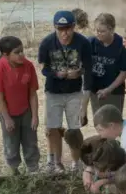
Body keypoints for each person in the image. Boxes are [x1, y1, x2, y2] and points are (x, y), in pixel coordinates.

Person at [38, 10, 92, 173]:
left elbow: (88, 70)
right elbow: (43, 68)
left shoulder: (83, 43)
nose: (65, 33)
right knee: (53, 127)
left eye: (68, 28)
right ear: (55, 28)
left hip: (74, 92)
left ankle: (76, 162)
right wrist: (56, 74)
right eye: (60, 29)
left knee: (74, 129)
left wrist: (79, 73)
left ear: (74, 27)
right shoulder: (47, 42)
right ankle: (57, 162)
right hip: (53, 92)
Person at [0, 35, 40, 175]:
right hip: (8, 112)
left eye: (22, 51)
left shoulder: (28, 66)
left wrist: (34, 116)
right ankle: (13, 171)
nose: (21, 55)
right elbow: (0, 99)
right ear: (6, 55)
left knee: (30, 141)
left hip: (26, 111)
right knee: (11, 144)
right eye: (17, 52)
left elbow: (32, 94)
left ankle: (33, 169)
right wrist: (6, 118)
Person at [88, 13, 126, 115]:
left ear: (112, 29)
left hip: (114, 92)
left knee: (114, 122)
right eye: (96, 30)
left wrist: (108, 90)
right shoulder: (91, 42)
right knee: (99, 122)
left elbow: (123, 73)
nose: (98, 33)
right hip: (95, 91)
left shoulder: (121, 45)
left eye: (102, 31)